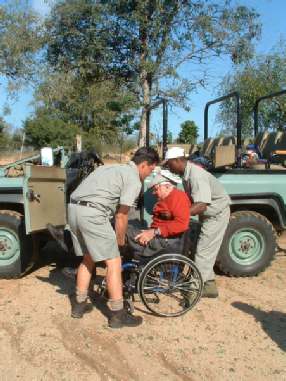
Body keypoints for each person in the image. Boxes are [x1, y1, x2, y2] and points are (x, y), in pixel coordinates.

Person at [68, 147, 159, 328]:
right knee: (114, 262)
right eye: (151, 170)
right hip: (93, 214)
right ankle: (118, 315)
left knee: (88, 258)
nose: (150, 174)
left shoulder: (109, 168)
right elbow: (121, 215)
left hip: (73, 209)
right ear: (143, 165)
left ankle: (79, 305)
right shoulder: (133, 179)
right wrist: (120, 241)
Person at [164, 146, 231, 298]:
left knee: (203, 252)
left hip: (216, 215)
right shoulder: (187, 174)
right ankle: (209, 287)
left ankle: (193, 291)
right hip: (208, 215)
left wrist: (178, 215)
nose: (168, 167)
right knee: (202, 250)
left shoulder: (196, 175)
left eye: (169, 164)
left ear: (178, 160)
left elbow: (202, 204)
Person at [126, 172, 191, 257]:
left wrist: (154, 232)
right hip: (158, 237)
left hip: (164, 242)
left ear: (167, 187)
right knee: (126, 227)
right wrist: (150, 231)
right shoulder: (165, 199)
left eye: (156, 189)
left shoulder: (178, 197)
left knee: (124, 230)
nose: (154, 193)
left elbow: (181, 224)